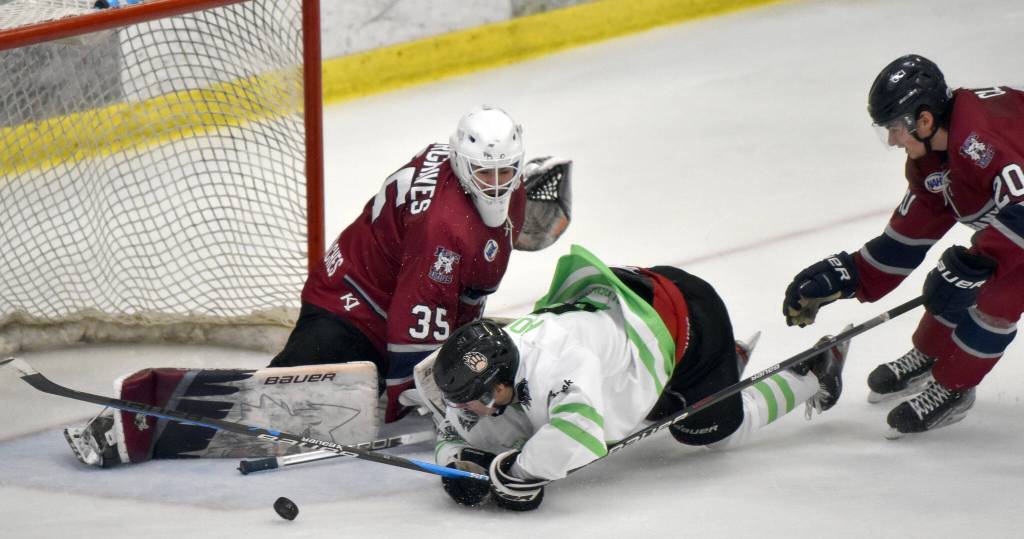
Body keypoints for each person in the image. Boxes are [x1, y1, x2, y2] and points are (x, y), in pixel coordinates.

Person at [63, 105, 574, 467]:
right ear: (464, 167)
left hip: (384, 289)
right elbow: (413, 321)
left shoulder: (466, 178)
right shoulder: (444, 230)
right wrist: (410, 397)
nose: (499, 184)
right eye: (486, 174)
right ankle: (134, 422)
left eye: (507, 171)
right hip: (348, 308)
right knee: (283, 402)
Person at [410, 245, 849, 511]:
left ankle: (811, 370)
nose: (461, 410)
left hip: (689, 326)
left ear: (499, 385)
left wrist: (521, 471)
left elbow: (577, 434)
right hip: (633, 308)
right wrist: (456, 463)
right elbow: (455, 426)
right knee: (532, 420)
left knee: (711, 435)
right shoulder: (502, 363)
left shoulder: (559, 362)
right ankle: (723, 370)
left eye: (471, 402)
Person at [781, 54, 1024, 437]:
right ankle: (932, 353)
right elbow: (909, 236)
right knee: (957, 275)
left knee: (1001, 293)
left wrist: (981, 261)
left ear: (924, 120)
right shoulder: (934, 160)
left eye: (895, 128)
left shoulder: (981, 144)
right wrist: (850, 274)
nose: (893, 140)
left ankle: (954, 388)